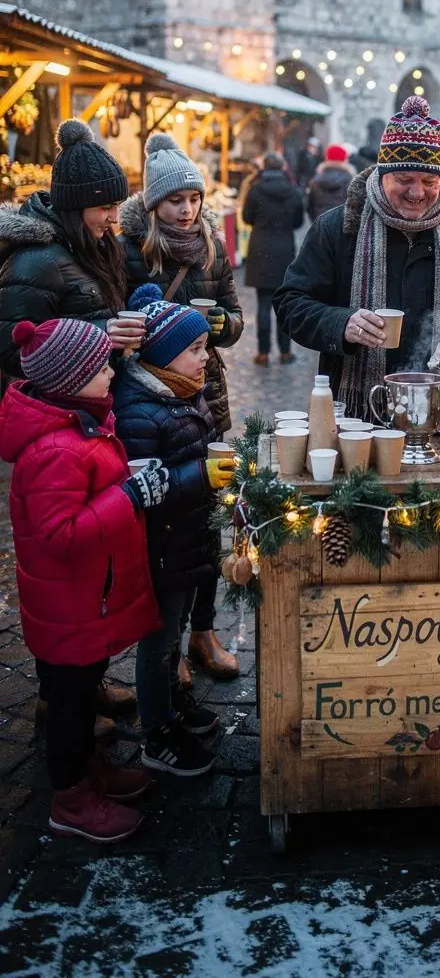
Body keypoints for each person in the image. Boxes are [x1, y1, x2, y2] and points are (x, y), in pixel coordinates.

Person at [0, 317, 169, 843]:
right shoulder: (54, 449)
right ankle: (70, 799)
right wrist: (130, 496)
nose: (111, 372)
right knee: (70, 705)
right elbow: (61, 535)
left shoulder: (82, 421)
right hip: (70, 603)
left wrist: (126, 480)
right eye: (100, 366)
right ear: (68, 380)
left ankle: (90, 771)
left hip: (83, 598)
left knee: (82, 687)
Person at [0, 119, 142, 731]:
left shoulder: (94, 245)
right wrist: (96, 340)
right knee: (63, 568)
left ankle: (91, 674)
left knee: (97, 564)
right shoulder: (39, 261)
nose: (115, 218)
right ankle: (59, 696)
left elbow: (101, 310)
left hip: (93, 414)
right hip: (57, 428)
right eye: (106, 208)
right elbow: (14, 348)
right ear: (77, 205)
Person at [274, 96, 440, 416]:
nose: (417, 192)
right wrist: (341, 323)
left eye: (429, 181)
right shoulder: (339, 228)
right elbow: (290, 304)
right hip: (357, 415)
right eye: (404, 180)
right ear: (383, 175)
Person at [119, 132, 243, 682]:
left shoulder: (212, 246)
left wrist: (223, 325)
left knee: (209, 515)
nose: (187, 210)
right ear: (153, 205)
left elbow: (236, 318)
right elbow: (121, 320)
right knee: (165, 521)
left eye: (193, 198)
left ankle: (203, 631)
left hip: (205, 392)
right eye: (175, 201)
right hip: (154, 395)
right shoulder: (131, 252)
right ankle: (164, 644)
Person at [113, 285, 237, 779]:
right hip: (160, 547)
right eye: (195, 350)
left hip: (187, 539)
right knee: (159, 640)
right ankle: (156, 732)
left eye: (204, 348)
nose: (205, 358)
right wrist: (201, 478)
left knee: (179, 627)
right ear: (164, 355)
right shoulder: (141, 412)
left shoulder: (186, 393)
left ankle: (175, 704)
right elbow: (147, 488)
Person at [242, 153, 304, 366]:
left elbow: (246, 218)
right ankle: (285, 352)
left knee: (263, 303)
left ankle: (263, 352)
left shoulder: (255, 190)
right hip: (284, 248)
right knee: (283, 304)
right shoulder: (293, 191)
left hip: (260, 246)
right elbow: (298, 221)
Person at [306, 144, 356, 221]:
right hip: (342, 226)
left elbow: (310, 207)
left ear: (327, 158)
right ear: (344, 159)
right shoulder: (351, 180)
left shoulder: (315, 180)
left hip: (320, 224)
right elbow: (354, 207)